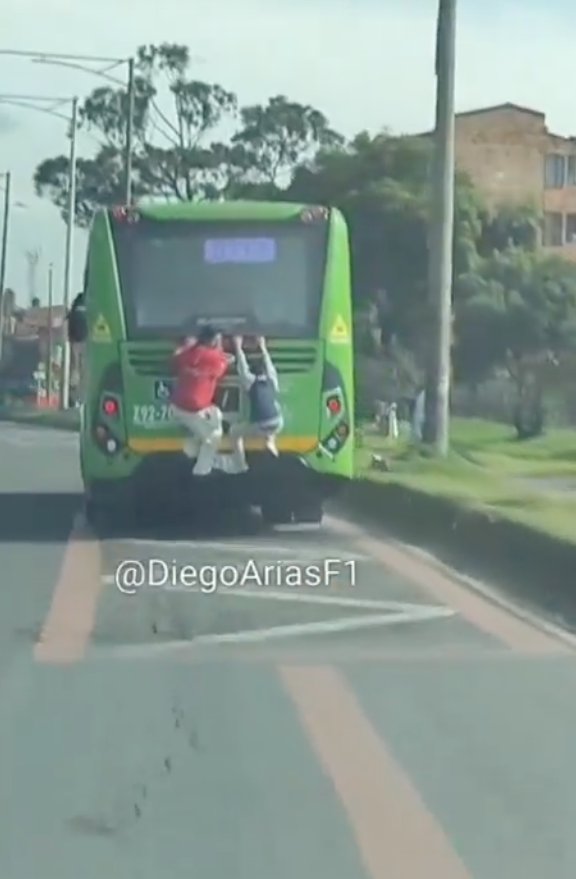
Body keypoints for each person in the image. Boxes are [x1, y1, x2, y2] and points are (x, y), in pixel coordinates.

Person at [170, 324, 233, 476]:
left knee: (215, 414)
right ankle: (201, 472)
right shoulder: (214, 358)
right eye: (219, 339)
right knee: (214, 437)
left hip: (177, 406)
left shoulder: (187, 354)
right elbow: (224, 364)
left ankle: (189, 449)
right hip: (192, 411)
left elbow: (175, 360)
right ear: (213, 340)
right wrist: (221, 350)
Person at [229, 334, 283, 472]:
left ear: (254, 373)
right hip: (278, 423)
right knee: (274, 406)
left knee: (234, 432)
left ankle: (240, 465)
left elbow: (242, 365)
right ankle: (270, 442)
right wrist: (262, 346)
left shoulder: (250, 382)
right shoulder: (272, 379)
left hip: (261, 424)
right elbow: (269, 363)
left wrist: (237, 346)